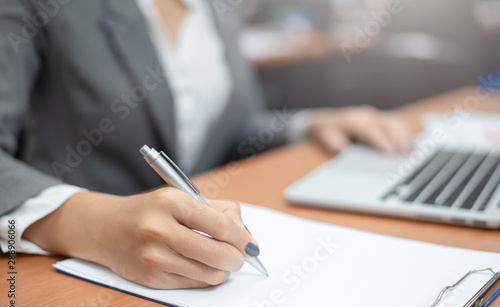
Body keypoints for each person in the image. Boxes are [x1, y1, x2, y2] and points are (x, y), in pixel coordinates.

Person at [0, 0, 412, 289]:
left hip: (185, 279)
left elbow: (231, 128)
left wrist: (307, 125)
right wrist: (96, 225)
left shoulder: (220, 7)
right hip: (64, 275)